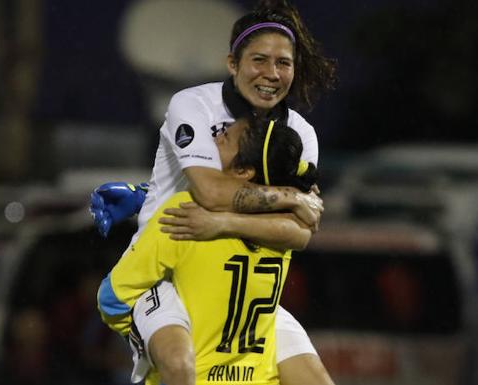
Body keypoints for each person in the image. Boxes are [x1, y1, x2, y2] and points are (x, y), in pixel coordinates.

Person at [92, 0, 337, 384]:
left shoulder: (300, 134)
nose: (271, 73)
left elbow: (301, 233)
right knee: (179, 366)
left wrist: (221, 222)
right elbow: (207, 191)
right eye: (259, 60)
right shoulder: (194, 105)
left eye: (284, 62)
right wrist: (291, 198)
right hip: (170, 274)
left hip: (240, 281)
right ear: (232, 64)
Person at [99, 117, 319, 385]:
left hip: (192, 378)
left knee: (176, 361)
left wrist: (149, 343)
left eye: (225, 138)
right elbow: (301, 231)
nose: (215, 139)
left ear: (243, 171)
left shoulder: (186, 212)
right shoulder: (286, 223)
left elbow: (113, 299)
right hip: (259, 378)